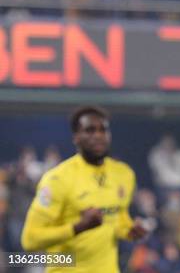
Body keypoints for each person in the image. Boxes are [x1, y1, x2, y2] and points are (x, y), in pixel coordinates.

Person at [21, 106, 148, 272]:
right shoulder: (58, 179)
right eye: (90, 130)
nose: (98, 136)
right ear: (76, 137)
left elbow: (117, 218)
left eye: (103, 130)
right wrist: (78, 227)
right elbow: (30, 240)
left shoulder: (124, 174)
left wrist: (129, 230)